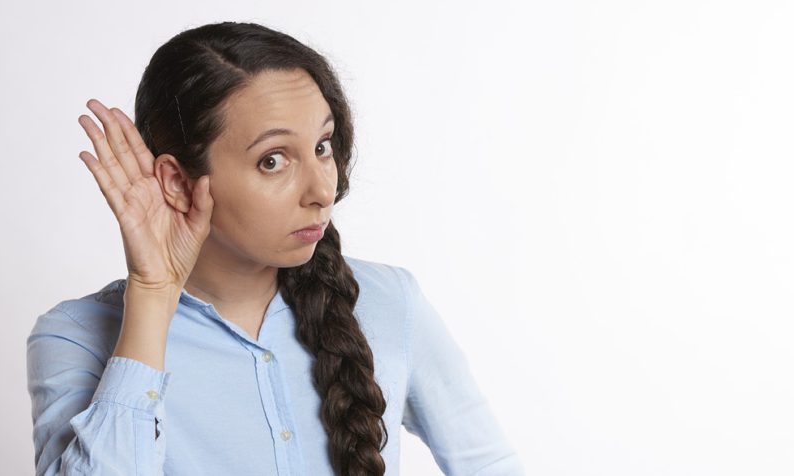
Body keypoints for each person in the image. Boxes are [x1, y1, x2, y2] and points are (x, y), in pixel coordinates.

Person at [26, 21, 525, 476]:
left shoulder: (392, 301)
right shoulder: (74, 337)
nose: (321, 191)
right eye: (272, 160)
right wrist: (153, 295)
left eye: (323, 146)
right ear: (177, 181)